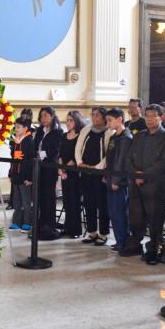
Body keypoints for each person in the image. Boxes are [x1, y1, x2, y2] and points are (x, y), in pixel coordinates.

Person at [121, 104, 165, 263]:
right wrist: (135, 174)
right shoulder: (139, 135)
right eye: (147, 115)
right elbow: (128, 158)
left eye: (153, 116)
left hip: (155, 185)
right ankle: (135, 244)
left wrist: (144, 175)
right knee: (135, 216)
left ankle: (154, 248)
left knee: (154, 219)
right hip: (136, 183)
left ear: (161, 117)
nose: (150, 119)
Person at [76, 107, 111, 245]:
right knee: (89, 202)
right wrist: (80, 163)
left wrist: (96, 168)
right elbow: (78, 147)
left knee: (102, 204)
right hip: (85, 170)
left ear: (104, 117)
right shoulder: (86, 130)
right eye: (93, 115)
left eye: (97, 115)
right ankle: (92, 232)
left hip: (100, 172)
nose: (94, 117)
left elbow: (109, 154)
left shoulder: (109, 131)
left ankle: (103, 233)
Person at [33, 106, 63, 238]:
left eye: (46, 115)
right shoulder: (39, 130)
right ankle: (41, 222)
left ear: (52, 116)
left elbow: (55, 150)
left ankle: (49, 225)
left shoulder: (57, 132)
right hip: (39, 167)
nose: (43, 118)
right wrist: (36, 153)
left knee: (48, 196)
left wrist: (41, 154)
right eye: (41, 116)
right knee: (39, 196)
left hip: (50, 168)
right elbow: (34, 145)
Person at [104, 108, 132, 252]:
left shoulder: (126, 137)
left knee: (120, 211)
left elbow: (122, 161)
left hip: (119, 182)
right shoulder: (115, 136)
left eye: (110, 120)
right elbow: (110, 158)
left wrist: (116, 180)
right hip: (110, 178)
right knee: (113, 212)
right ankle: (118, 240)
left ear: (120, 119)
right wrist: (106, 175)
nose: (107, 123)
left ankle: (123, 241)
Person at [58, 111, 85, 238]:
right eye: (67, 120)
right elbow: (60, 154)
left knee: (74, 202)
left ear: (77, 121)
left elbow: (80, 153)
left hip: (75, 173)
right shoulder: (64, 136)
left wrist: (71, 163)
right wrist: (60, 168)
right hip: (64, 172)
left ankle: (75, 230)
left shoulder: (81, 136)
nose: (68, 123)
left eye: (71, 120)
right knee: (66, 201)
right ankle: (67, 227)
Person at [9, 118, 36, 232]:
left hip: (25, 177)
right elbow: (13, 159)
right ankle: (16, 222)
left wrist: (30, 178)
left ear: (26, 128)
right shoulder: (15, 141)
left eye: (19, 127)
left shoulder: (29, 141)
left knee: (26, 201)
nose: (16, 129)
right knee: (17, 201)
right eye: (15, 127)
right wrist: (11, 173)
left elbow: (31, 161)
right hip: (16, 175)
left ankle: (27, 223)